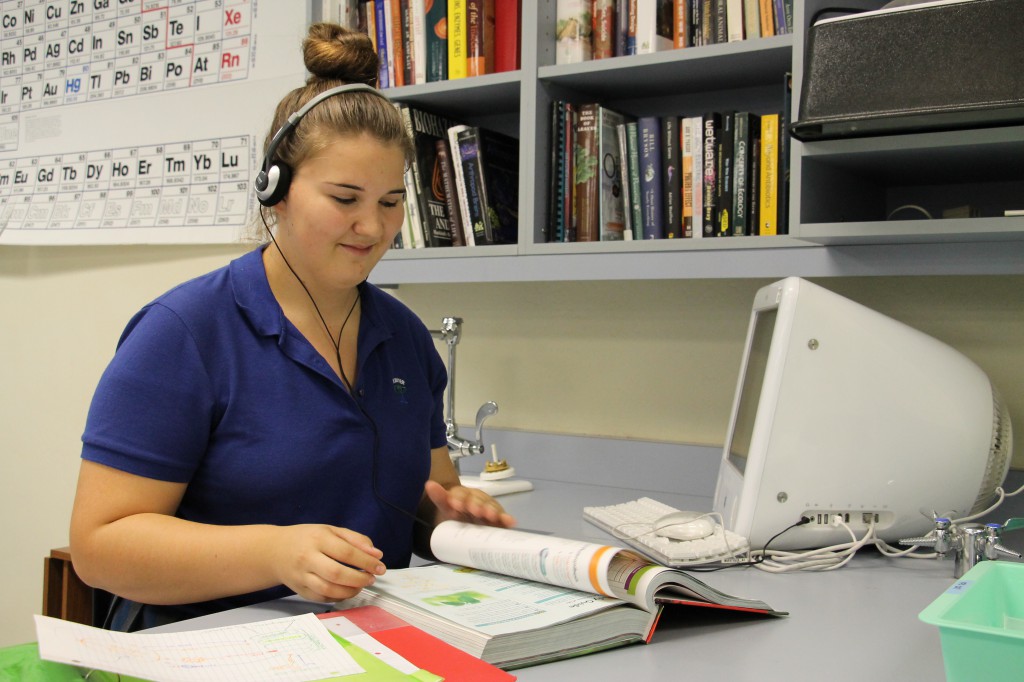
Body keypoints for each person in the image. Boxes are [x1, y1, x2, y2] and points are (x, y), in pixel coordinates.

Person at [69, 22, 514, 631]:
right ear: (274, 190)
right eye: (344, 198)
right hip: (203, 647)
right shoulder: (184, 333)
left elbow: (427, 494)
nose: (372, 227)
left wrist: (452, 516)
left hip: (364, 641)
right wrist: (273, 553)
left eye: (389, 202)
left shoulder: (406, 337)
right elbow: (100, 548)